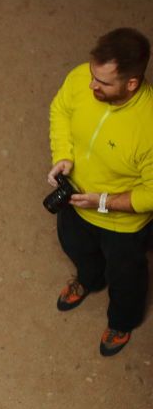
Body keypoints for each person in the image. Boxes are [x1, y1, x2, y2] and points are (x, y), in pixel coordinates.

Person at [48, 27, 153, 356]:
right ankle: (89, 280)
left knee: (126, 279)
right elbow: (61, 110)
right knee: (75, 245)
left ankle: (122, 321)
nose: (91, 84)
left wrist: (103, 202)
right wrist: (62, 155)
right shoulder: (82, 78)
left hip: (122, 226)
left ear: (131, 83)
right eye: (93, 75)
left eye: (103, 82)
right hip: (76, 200)